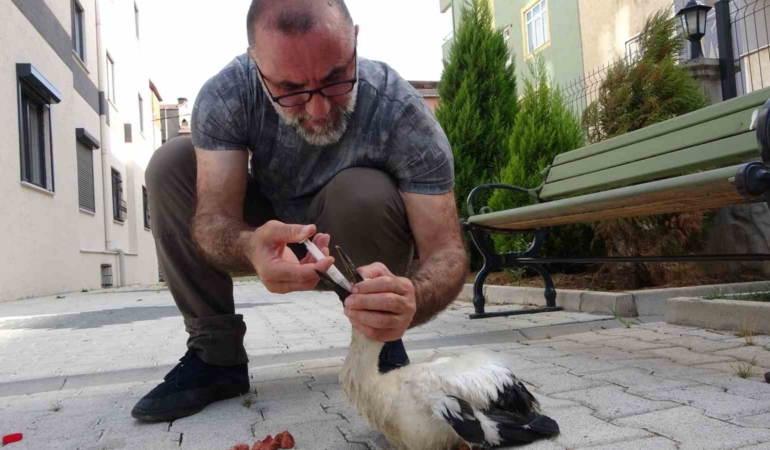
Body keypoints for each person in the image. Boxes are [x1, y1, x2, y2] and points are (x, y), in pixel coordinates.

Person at [131, 0, 468, 422]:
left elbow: (448, 252)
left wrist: (411, 299)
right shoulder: (228, 94)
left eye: (336, 79)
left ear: (355, 42)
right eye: (290, 90)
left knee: (363, 189)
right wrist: (250, 244)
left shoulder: (400, 112)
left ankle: (380, 338)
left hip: (355, 238)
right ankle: (215, 356)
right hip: (268, 230)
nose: (318, 109)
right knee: (170, 163)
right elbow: (213, 216)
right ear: (255, 62)